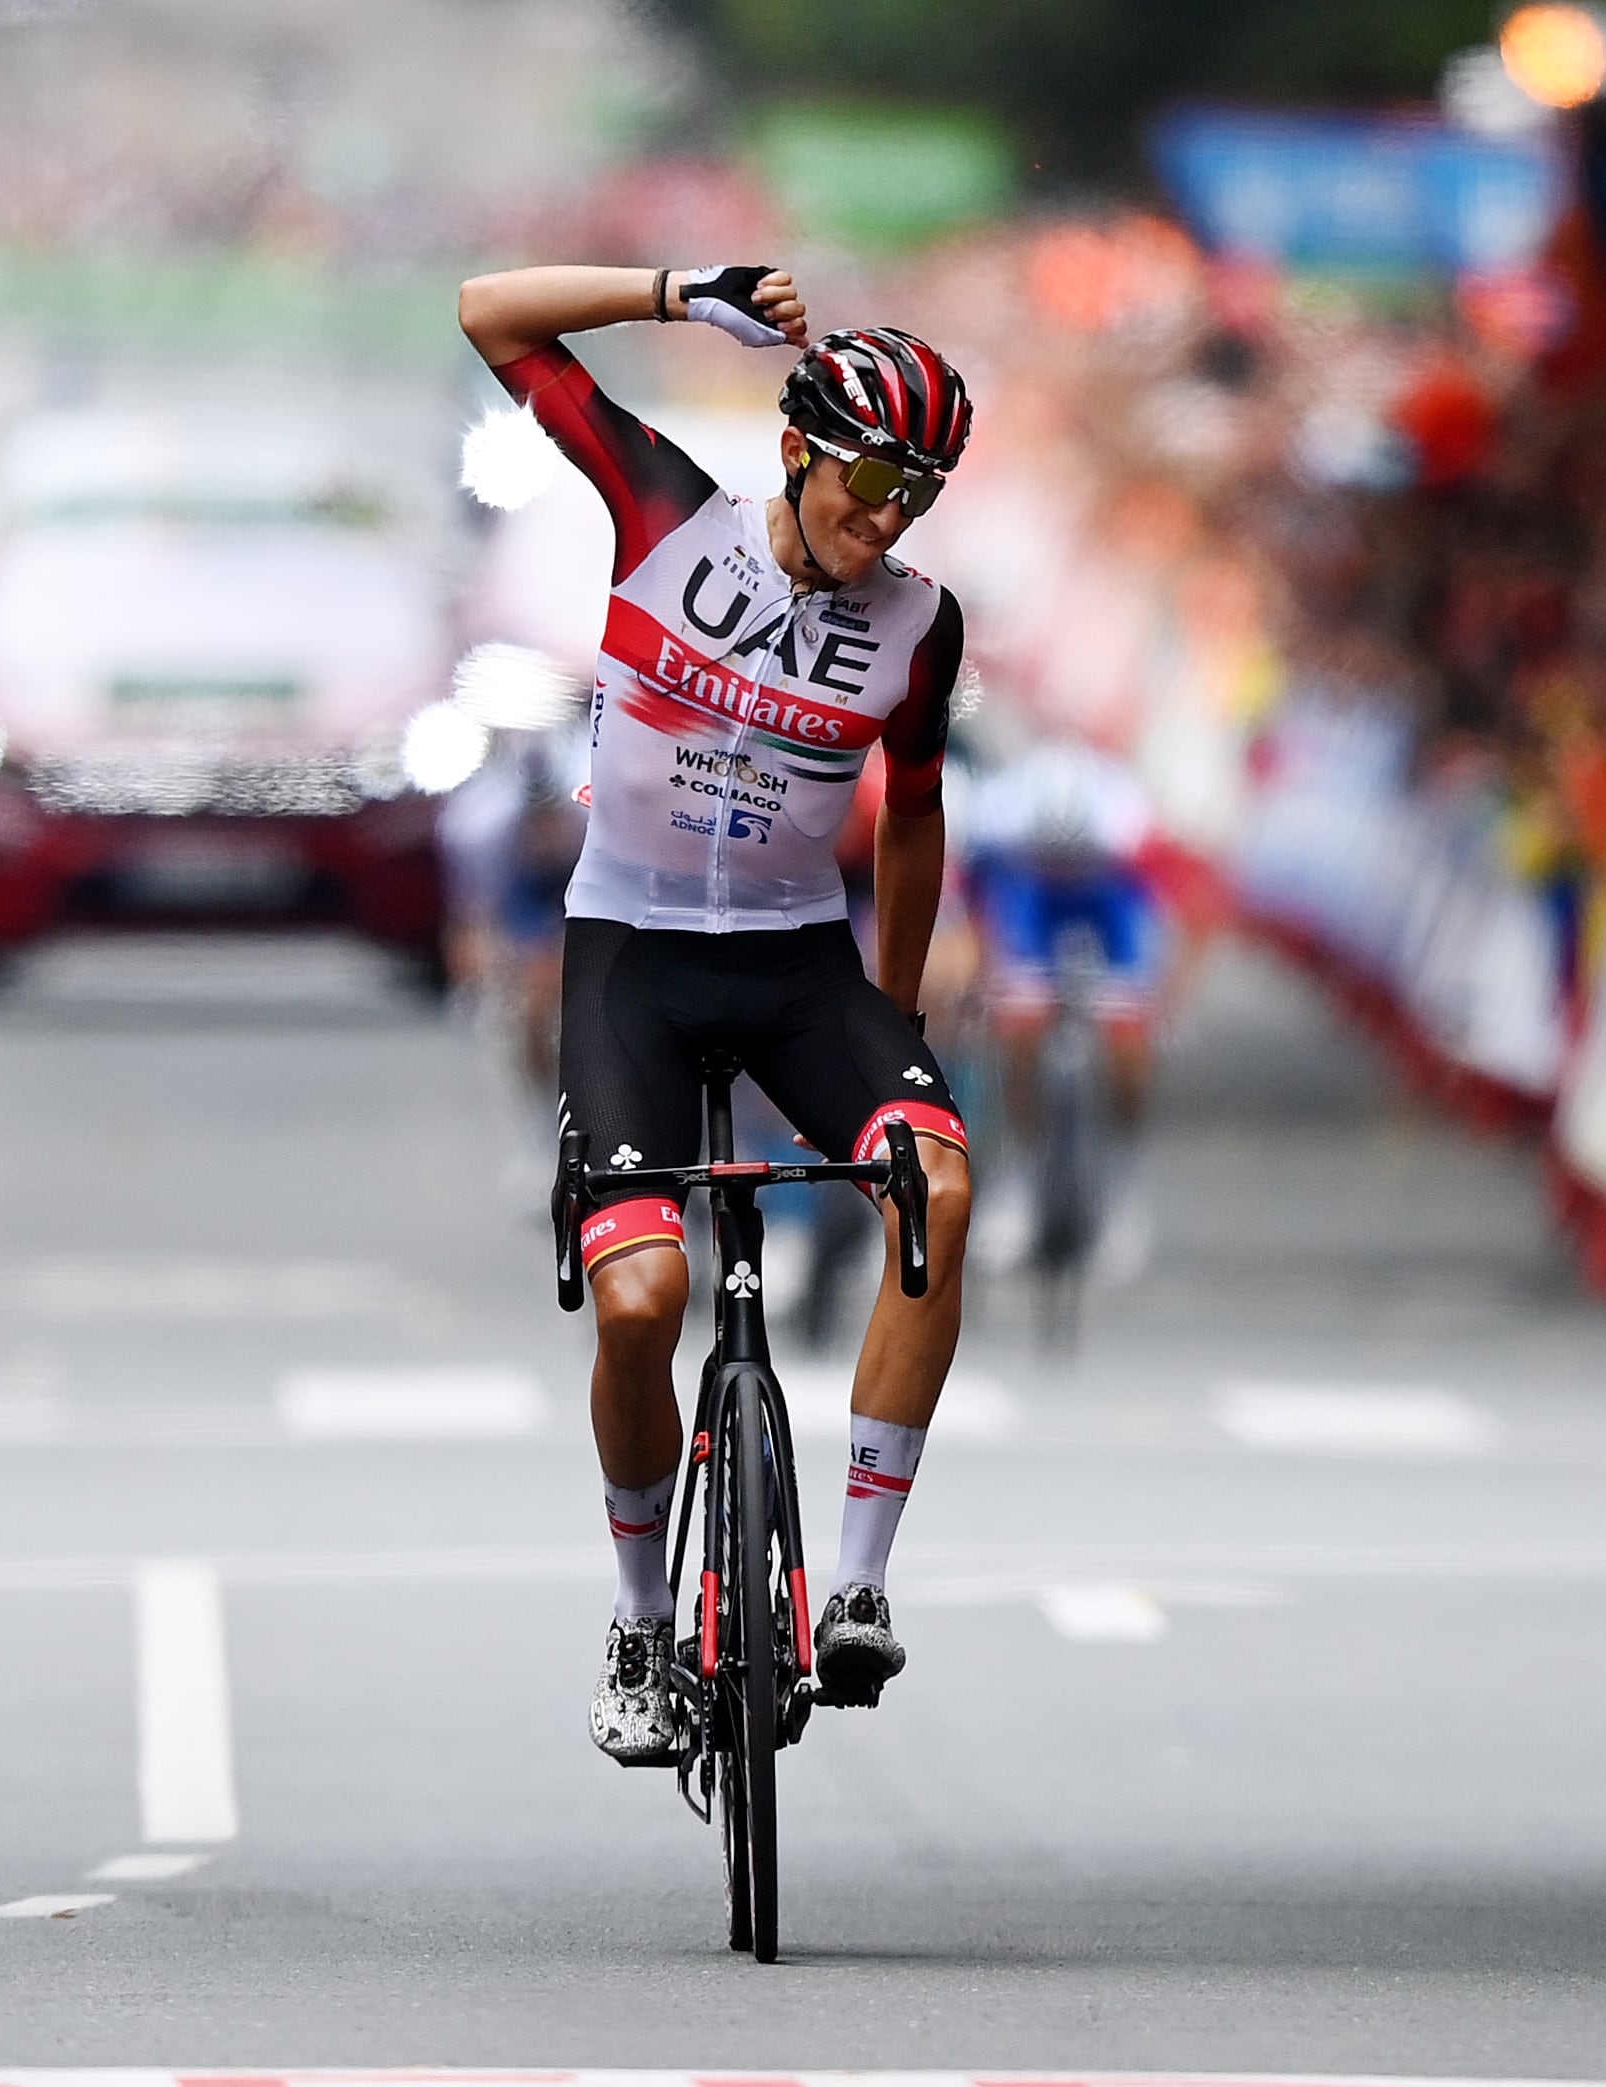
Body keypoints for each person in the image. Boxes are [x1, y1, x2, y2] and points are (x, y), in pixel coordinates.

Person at [455, 262, 975, 1763]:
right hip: (631, 948)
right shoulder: (663, 508)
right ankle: (634, 1617)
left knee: (932, 1181)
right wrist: (677, 294)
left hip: (796, 959)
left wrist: (892, 1026)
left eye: (917, 495)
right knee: (638, 1298)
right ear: (799, 447)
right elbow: (492, 312)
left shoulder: (922, 627)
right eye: (870, 480)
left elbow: (915, 817)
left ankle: (858, 1588)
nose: (886, 522)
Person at [966, 730, 1163, 1280]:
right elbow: (978, 894)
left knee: (1129, 1046)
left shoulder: (1126, 822)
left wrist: (1146, 998)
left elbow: (1155, 912)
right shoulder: (1002, 818)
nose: (1065, 864)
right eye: (1053, 856)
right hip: (1034, 909)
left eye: (1074, 857)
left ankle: (1122, 1190)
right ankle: (1021, 1181)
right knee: (1020, 1026)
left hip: (1112, 907)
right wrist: (989, 972)